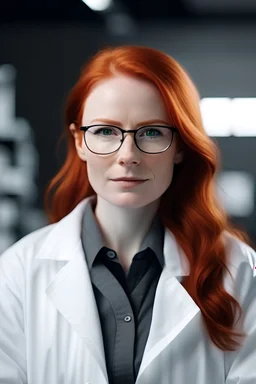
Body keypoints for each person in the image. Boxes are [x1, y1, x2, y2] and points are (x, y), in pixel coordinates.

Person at [0, 45, 256, 384]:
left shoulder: (237, 270)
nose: (127, 155)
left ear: (180, 146)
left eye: (151, 132)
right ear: (79, 141)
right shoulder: (18, 271)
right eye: (106, 132)